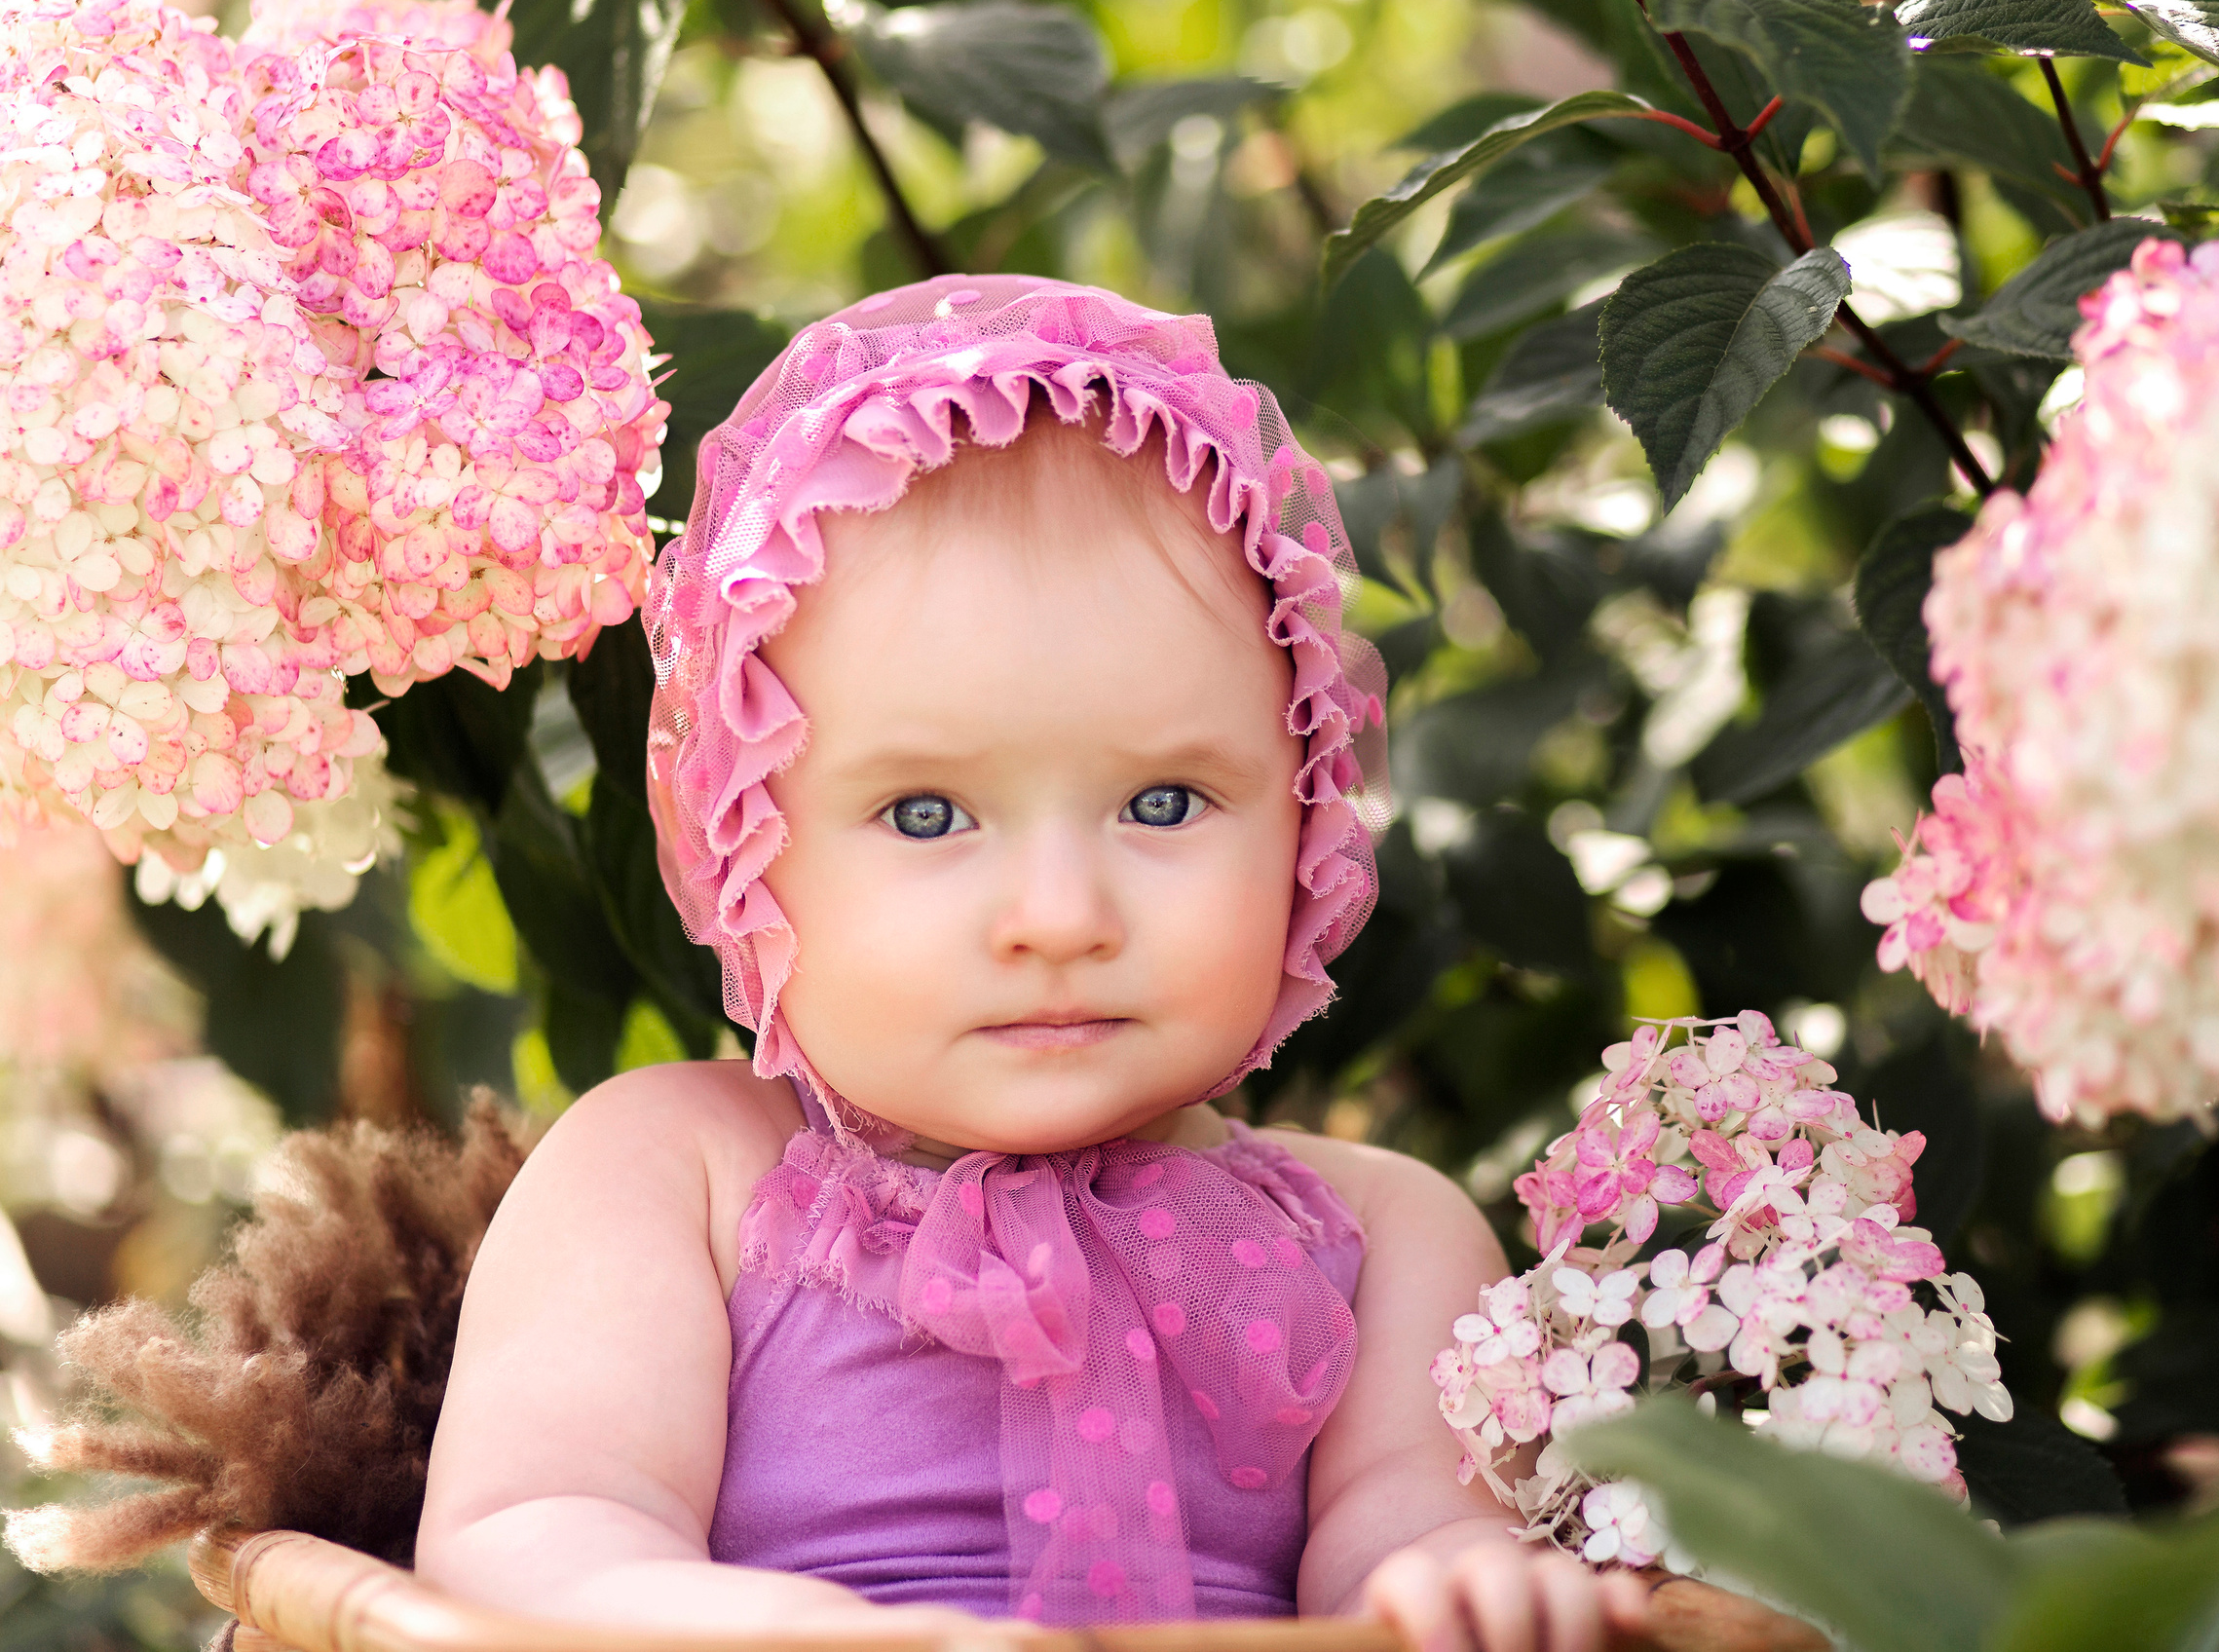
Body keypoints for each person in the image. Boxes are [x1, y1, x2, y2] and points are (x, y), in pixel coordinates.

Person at [412, 277, 1706, 1652]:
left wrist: (1464, 1577)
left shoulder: (1383, 1242)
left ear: (1308, 818)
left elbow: (1406, 1537)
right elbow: (529, 1536)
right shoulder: (676, 1174)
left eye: (1163, 805)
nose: (1059, 915)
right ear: (744, 850)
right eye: (926, 815)